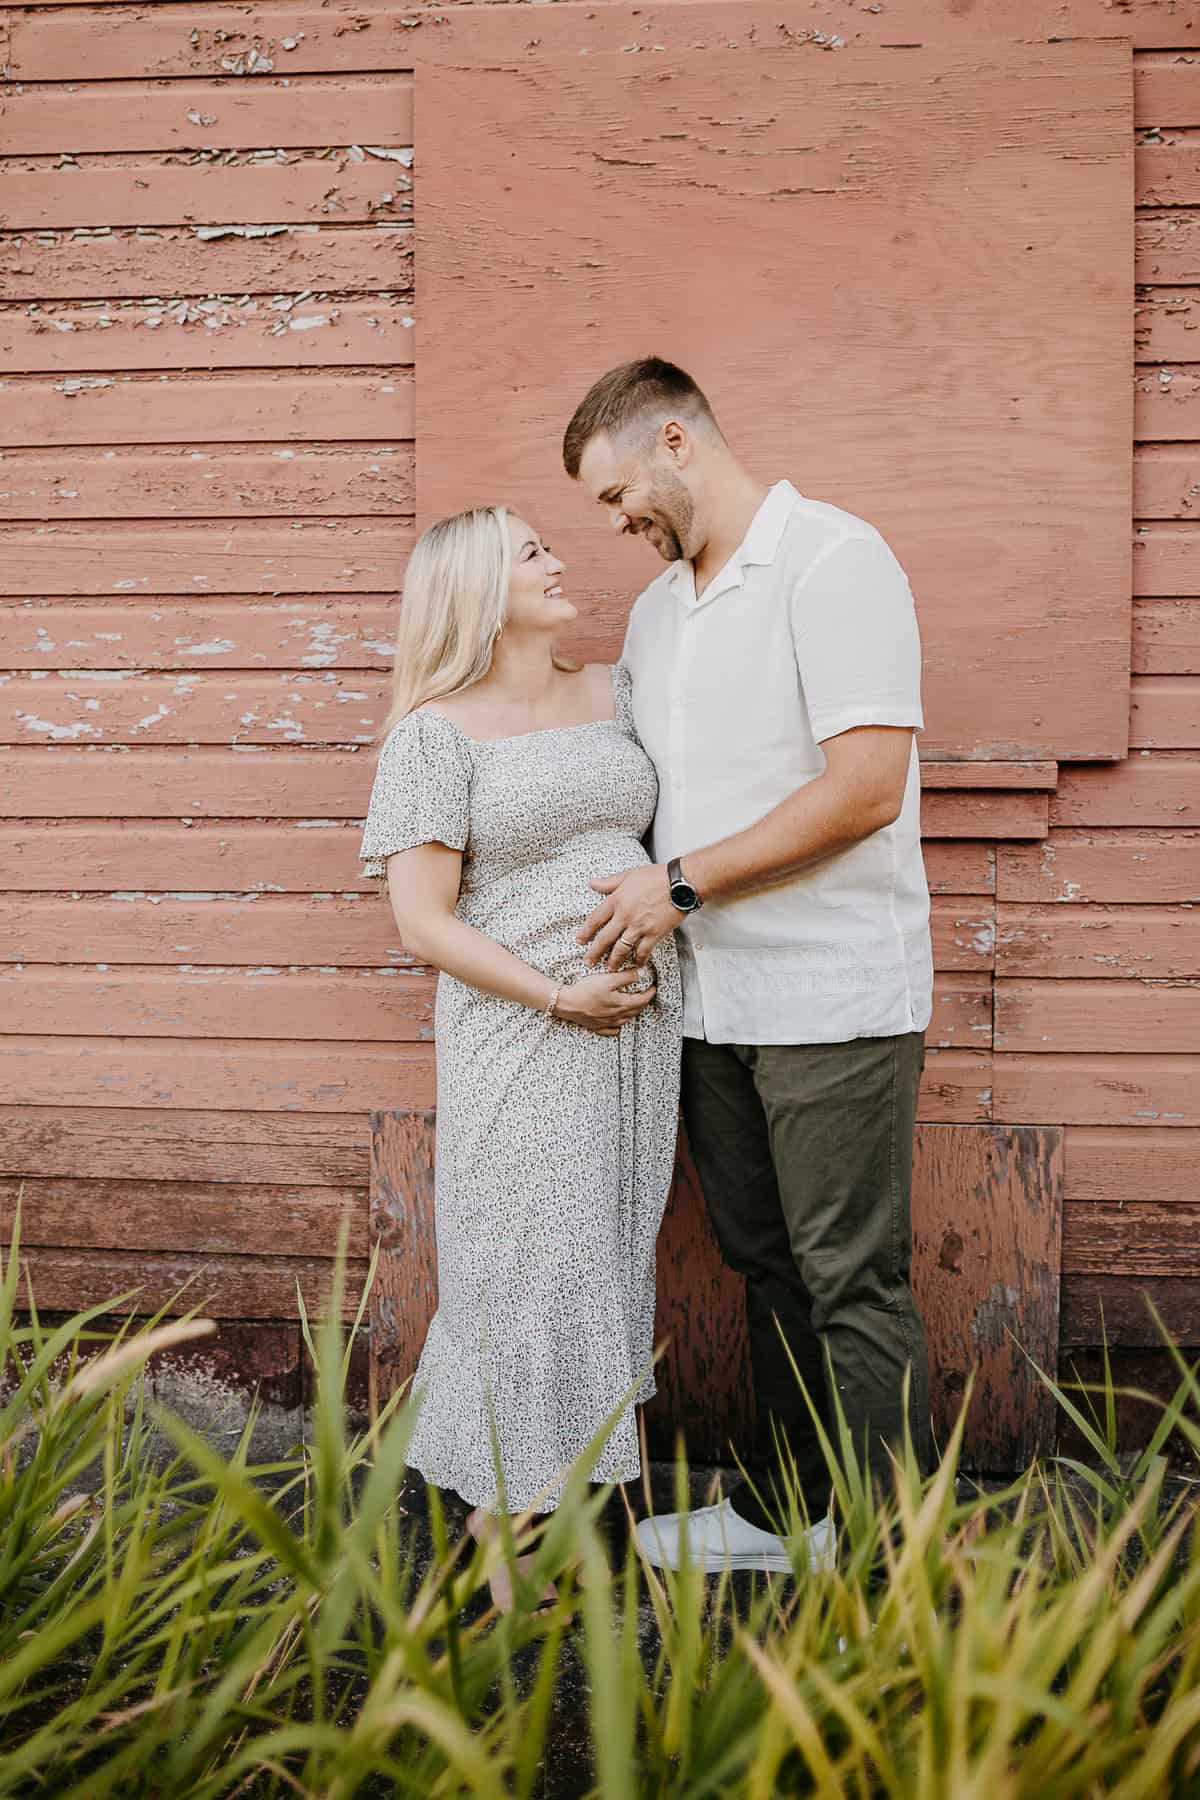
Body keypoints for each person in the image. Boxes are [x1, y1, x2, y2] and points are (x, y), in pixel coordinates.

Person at [562, 356, 934, 1575]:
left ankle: (891, 1566)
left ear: (676, 440)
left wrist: (676, 886)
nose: (616, 525)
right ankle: (788, 1522)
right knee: (765, 1268)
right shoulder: (660, 612)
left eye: (618, 494)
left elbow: (866, 788)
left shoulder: (834, 559)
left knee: (848, 1281)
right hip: (708, 998)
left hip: (832, 992)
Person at [358, 504, 682, 1611]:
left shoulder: (616, 692)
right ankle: (504, 1536)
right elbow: (423, 923)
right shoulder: (435, 734)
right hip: (526, 1035)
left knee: (599, 1261)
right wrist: (557, 993)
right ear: (476, 594)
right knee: (522, 1271)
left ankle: (564, 1511)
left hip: (634, 1035)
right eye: (531, 553)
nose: (558, 561)